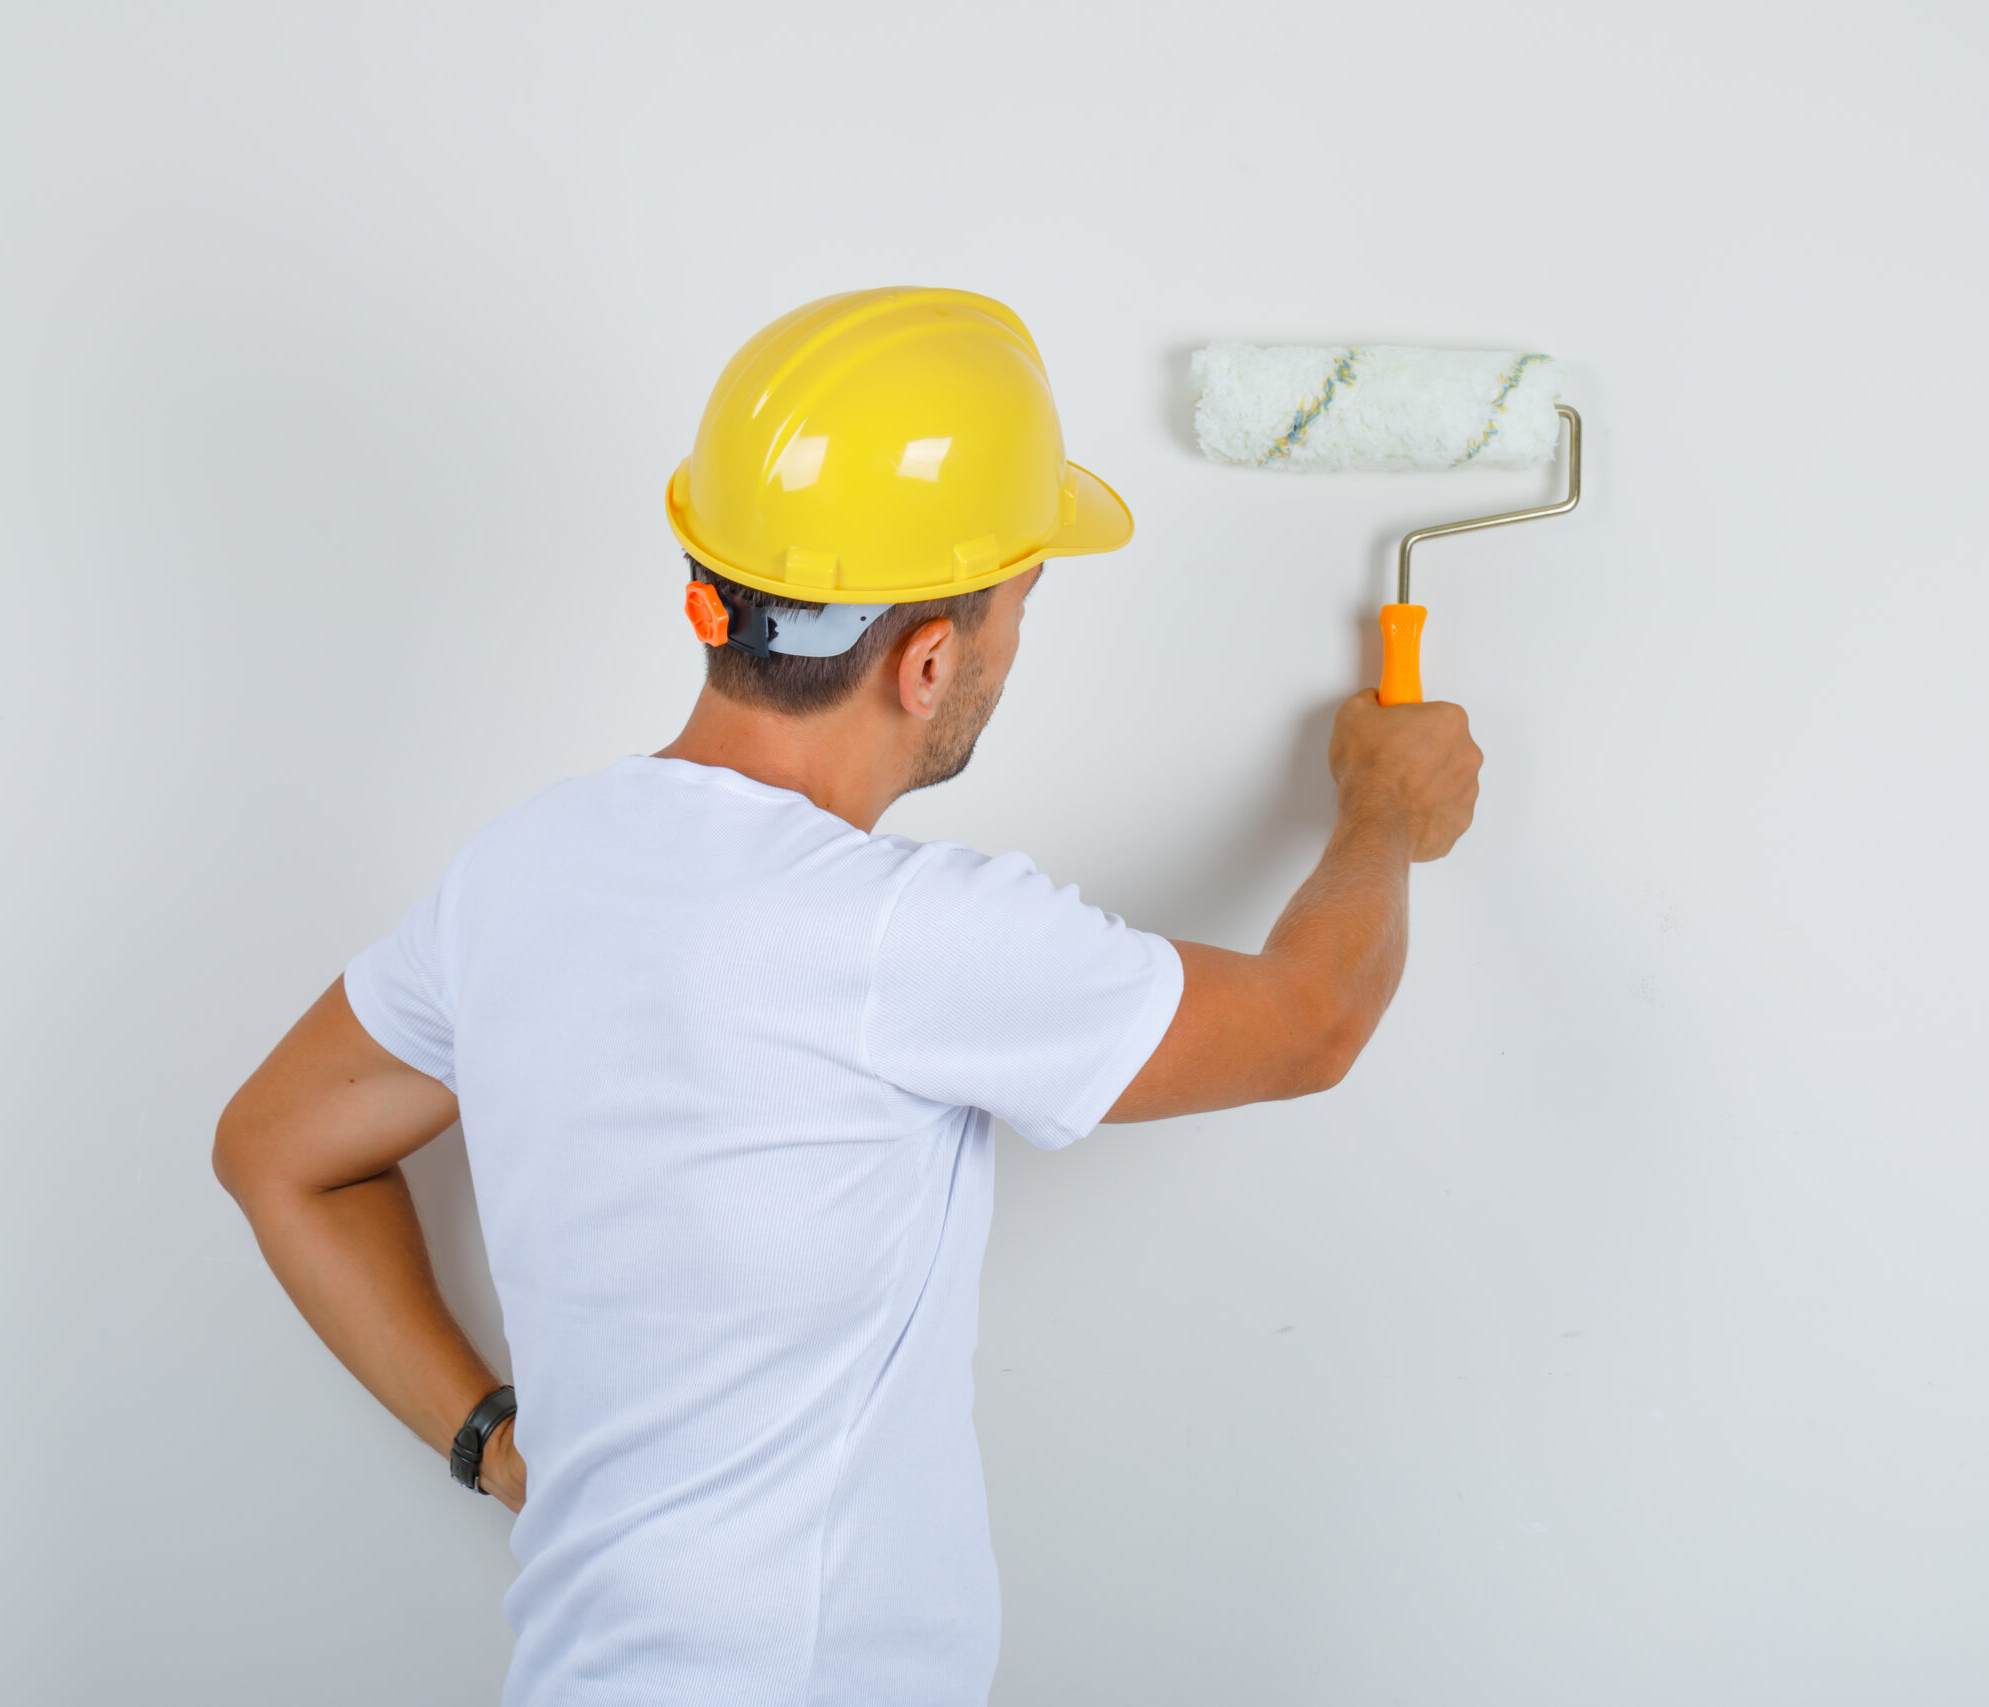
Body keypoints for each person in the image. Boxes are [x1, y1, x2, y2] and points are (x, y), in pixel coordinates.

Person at [213, 287, 1482, 1706]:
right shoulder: (902, 936)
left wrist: (497, 1445)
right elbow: (1313, 1025)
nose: (1012, 647)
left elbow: (274, 1150)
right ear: (929, 657)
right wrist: (1385, 818)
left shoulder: (519, 875)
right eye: (1018, 606)